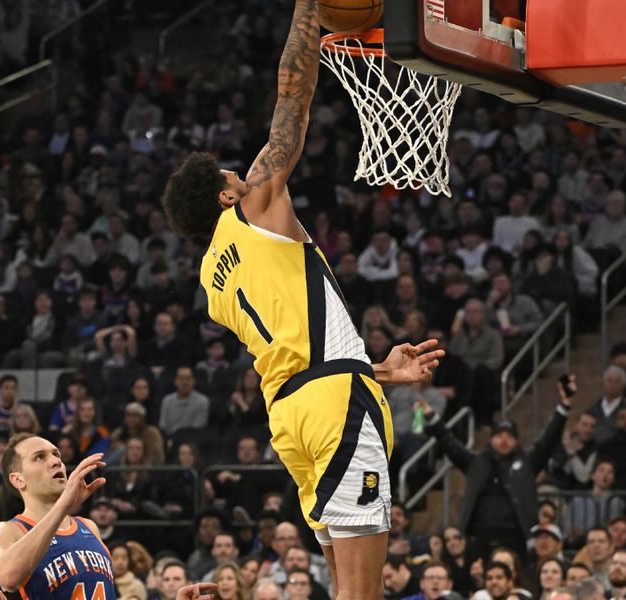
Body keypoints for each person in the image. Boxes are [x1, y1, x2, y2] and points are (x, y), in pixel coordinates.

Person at [162, 3, 444, 599]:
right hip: (335, 408)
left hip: (292, 418)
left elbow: (295, 351)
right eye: (235, 177)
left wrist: (379, 373)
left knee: (342, 588)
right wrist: (309, 10)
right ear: (223, 198)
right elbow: (292, 97)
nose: (248, 176)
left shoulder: (213, 280)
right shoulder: (253, 209)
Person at [419, 376, 573, 558]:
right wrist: (431, 416)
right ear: (491, 439)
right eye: (499, 435)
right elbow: (449, 443)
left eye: (509, 436)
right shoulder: (476, 462)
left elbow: (548, 440)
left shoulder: (527, 464)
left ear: (516, 441)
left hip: (516, 540)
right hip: (478, 539)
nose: (504, 440)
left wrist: (564, 405)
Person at [0, 433, 116, 598]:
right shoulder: (9, 531)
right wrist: (63, 505)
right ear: (18, 480)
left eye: (56, 455)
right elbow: (7, 577)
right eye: (39, 457)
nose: (56, 462)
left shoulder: (89, 527)